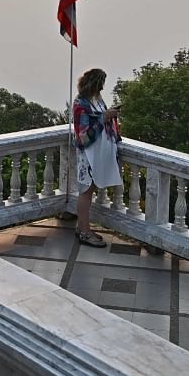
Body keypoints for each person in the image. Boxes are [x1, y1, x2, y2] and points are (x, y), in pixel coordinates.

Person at [71, 67, 122, 247]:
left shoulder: (97, 100)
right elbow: (83, 136)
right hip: (88, 156)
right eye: (100, 85)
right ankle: (84, 232)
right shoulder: (81, 105)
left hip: (99, 154)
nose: (102, 89)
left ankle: (83, 228)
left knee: (90, 191)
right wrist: (104, 118)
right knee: (85, 192)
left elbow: (101, 119)